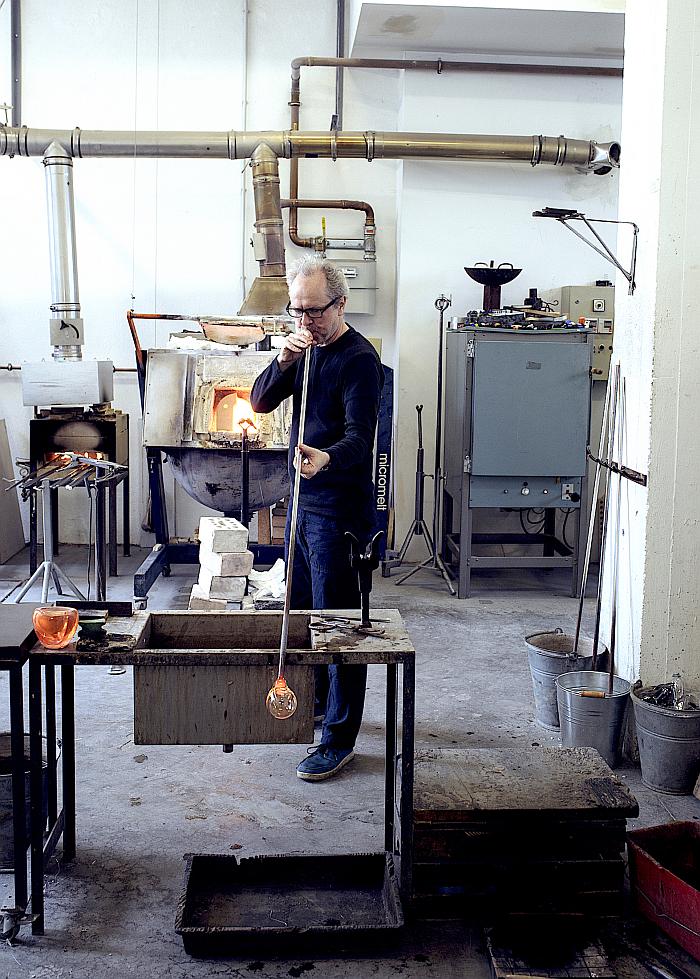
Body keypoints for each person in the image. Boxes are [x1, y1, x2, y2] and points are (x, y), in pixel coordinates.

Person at [250, 256, 383, 781]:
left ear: (340, 303)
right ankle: (319, 709)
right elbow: (259, 401)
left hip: (339, 511)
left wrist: (327, 458)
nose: (306, 322)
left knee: (338, 624)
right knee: (304, 614)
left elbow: (361, 438)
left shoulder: (359, 360)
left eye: (315, 312)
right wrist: (283, 357)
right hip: (302, 506)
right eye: (298, 311)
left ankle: (340, 738)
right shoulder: (302, 351)